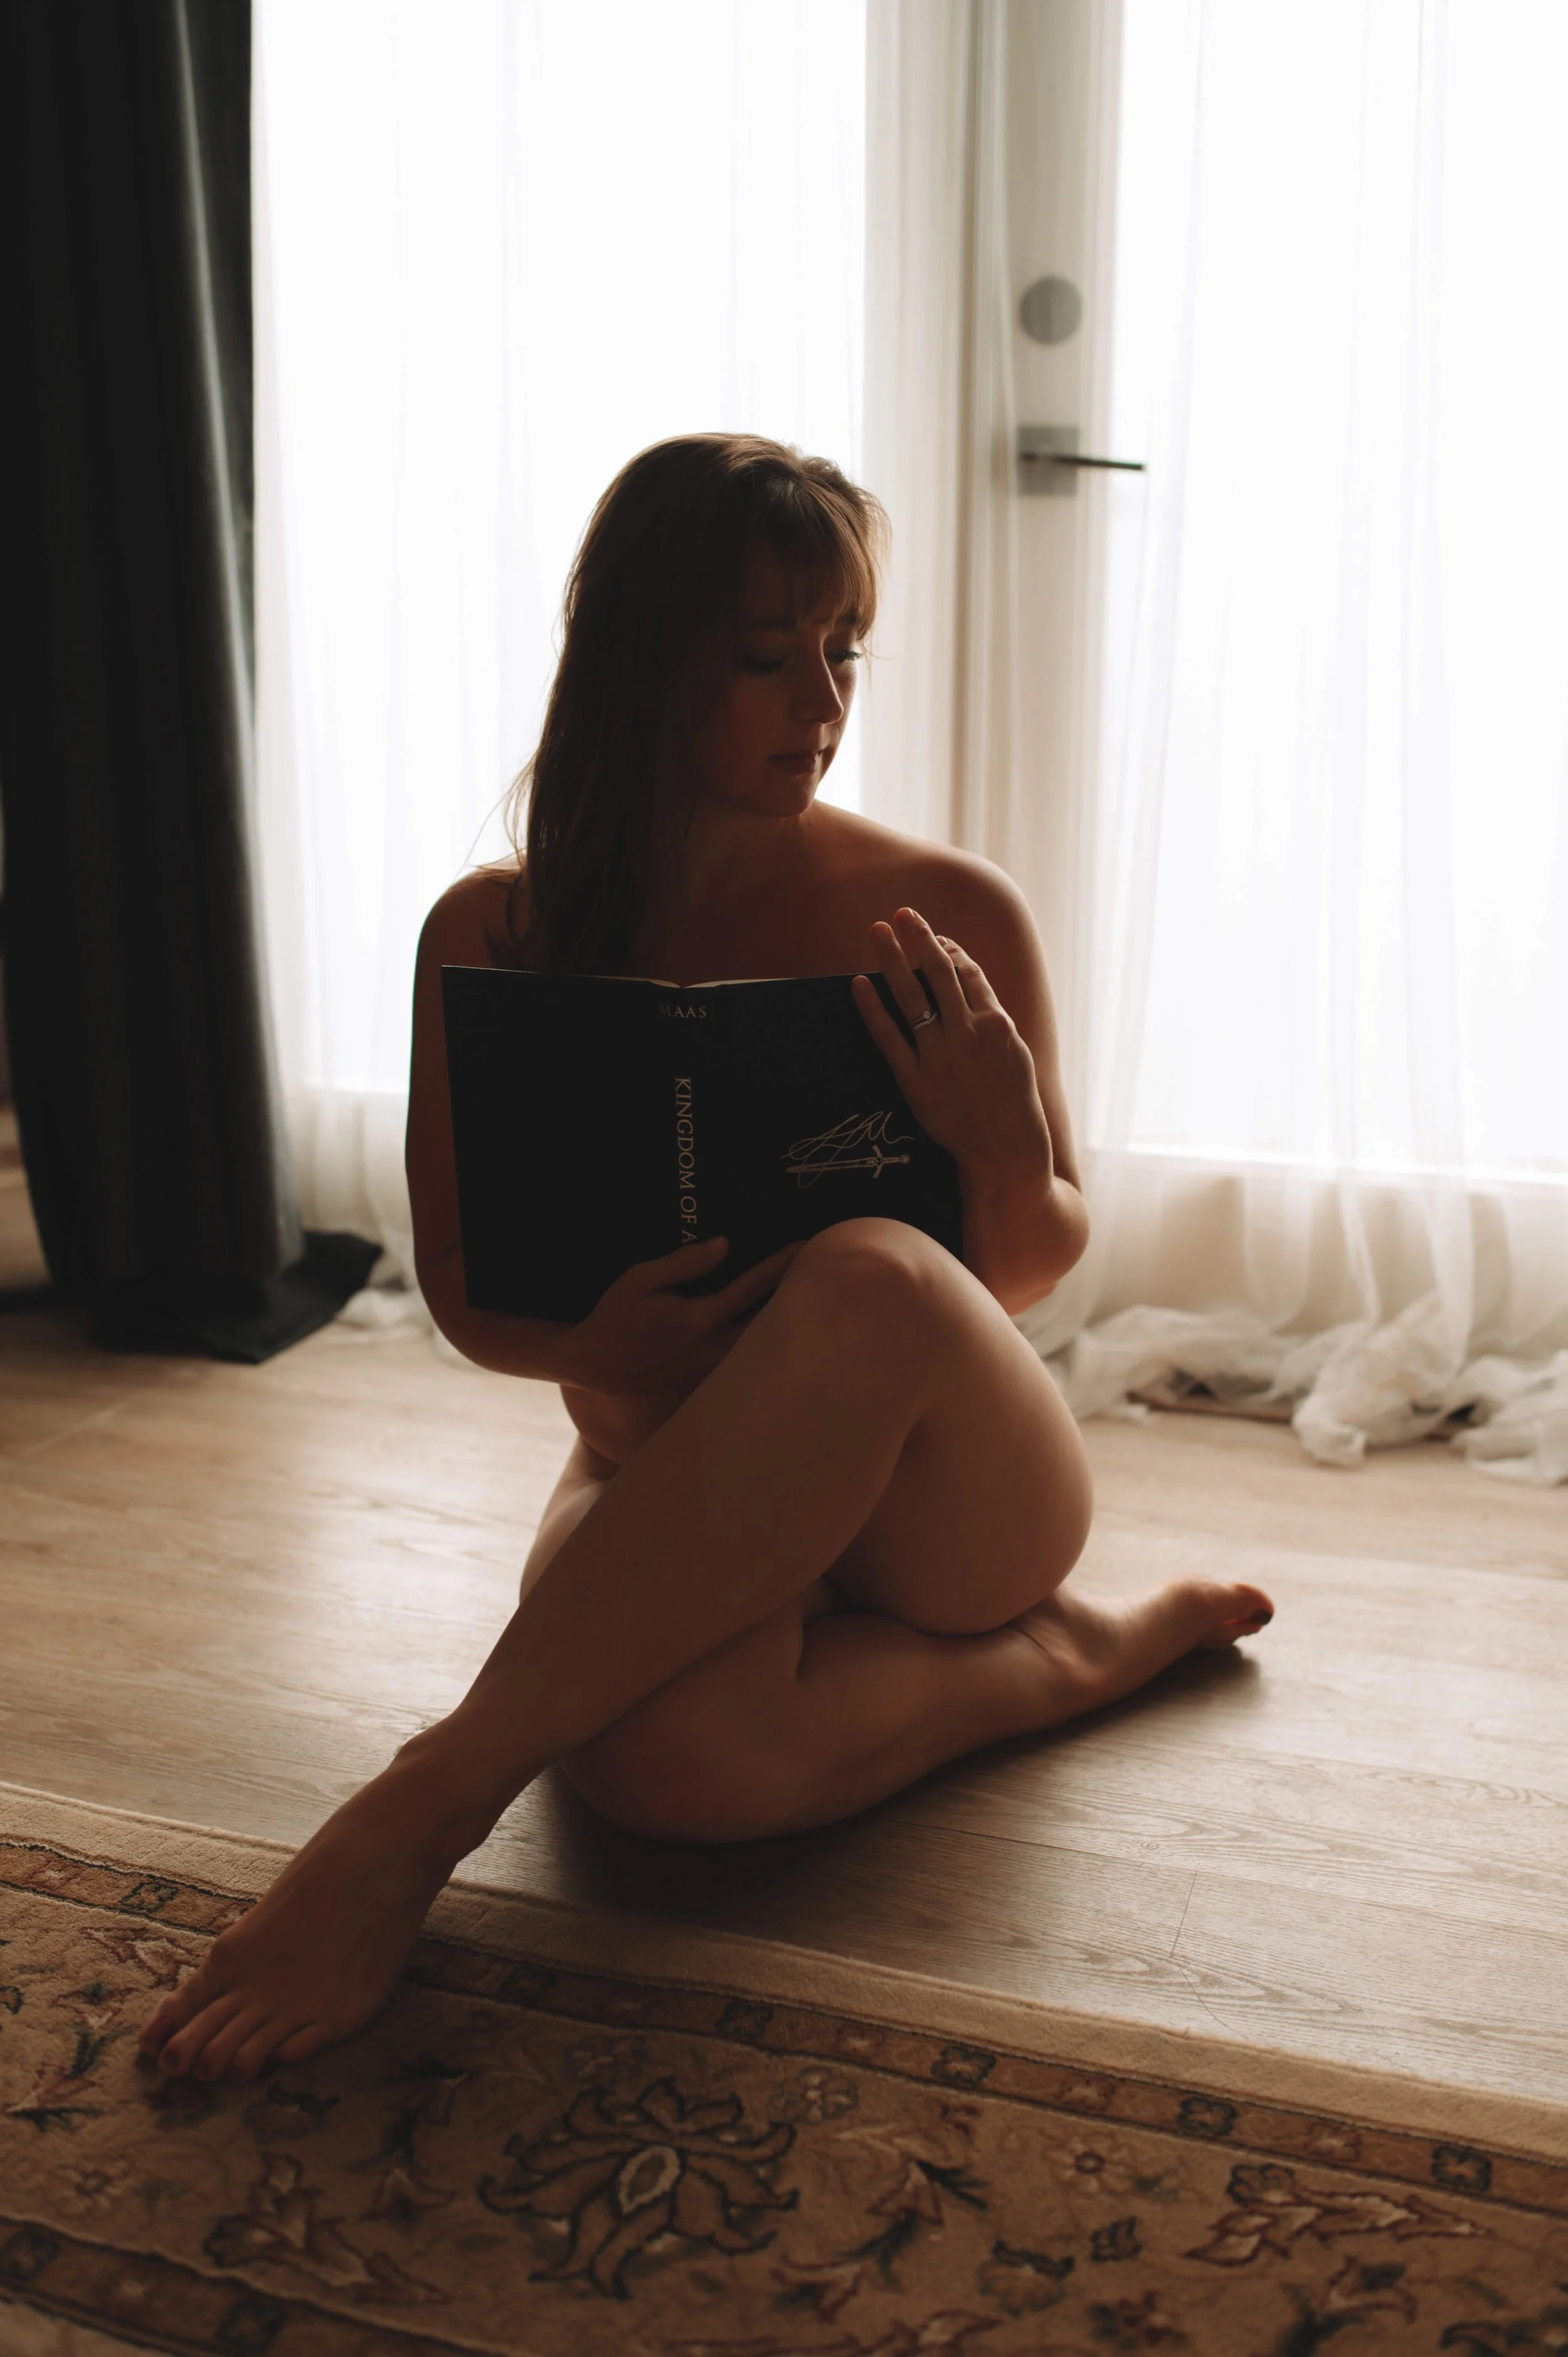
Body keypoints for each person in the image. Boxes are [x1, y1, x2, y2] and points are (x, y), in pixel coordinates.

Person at [141, 434, 1272, 2085]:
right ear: (640, 661)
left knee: (871, 1275)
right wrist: (600, 1344)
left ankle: (413, 1811)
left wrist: (999, 1141)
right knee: (672, 1775)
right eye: (764, 656)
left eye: (841, 652)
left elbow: (1022, 1268)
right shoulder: (493, 936)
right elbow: (462, 1288)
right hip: (660, 1456)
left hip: (954, 1504)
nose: (818, 697)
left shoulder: (945, 909)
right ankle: (1072, 1662)